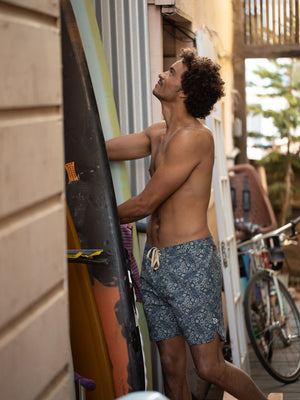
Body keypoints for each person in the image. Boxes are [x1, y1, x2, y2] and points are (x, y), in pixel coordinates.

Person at [106, 48, 267, 400]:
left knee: (209, 366)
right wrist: (66, 158)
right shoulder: (158, 135)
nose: (162, 75)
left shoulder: (195, 138)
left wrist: (89, 219)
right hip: (154, 263)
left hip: (190, 262)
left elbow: (146, 202)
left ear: (185, 92)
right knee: (172, 368)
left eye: (171, 72)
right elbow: (101, 150)